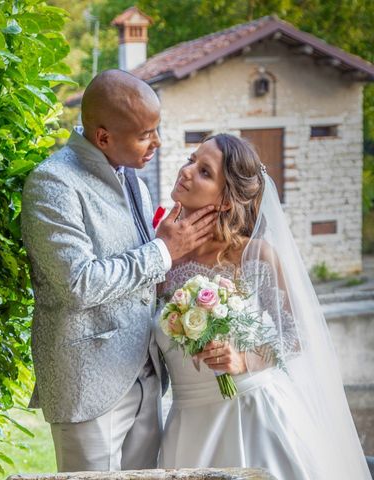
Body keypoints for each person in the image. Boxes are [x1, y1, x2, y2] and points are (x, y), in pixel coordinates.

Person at [20, 69, 217, 472]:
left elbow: (142, 279)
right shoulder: (53, 183)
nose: (157, 143)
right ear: (104, 137)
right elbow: (79, 282)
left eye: (156, 130)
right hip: (90, 384)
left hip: (148, 376)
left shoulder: (136, 183)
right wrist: (163, 250)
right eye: (146, 134)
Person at [156, 133, 370, 479]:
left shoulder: (255, 256)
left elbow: (298, 335)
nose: (187, 171)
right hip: (187, 424)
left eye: (205, 171)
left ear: (226, 201)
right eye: (191, 159)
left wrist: (246, 358)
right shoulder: (161, 255)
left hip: (253, 417)